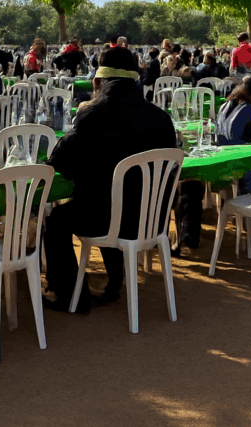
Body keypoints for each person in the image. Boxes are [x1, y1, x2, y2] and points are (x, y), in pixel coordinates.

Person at [42, 47, 176, 313]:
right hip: (152, 219)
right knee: (112, 200)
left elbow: (61, 162)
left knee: (58, 219)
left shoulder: (93, 115)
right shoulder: (161, 118)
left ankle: (70, 295)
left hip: (106, 218)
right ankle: (114, 281)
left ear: (97, 82)